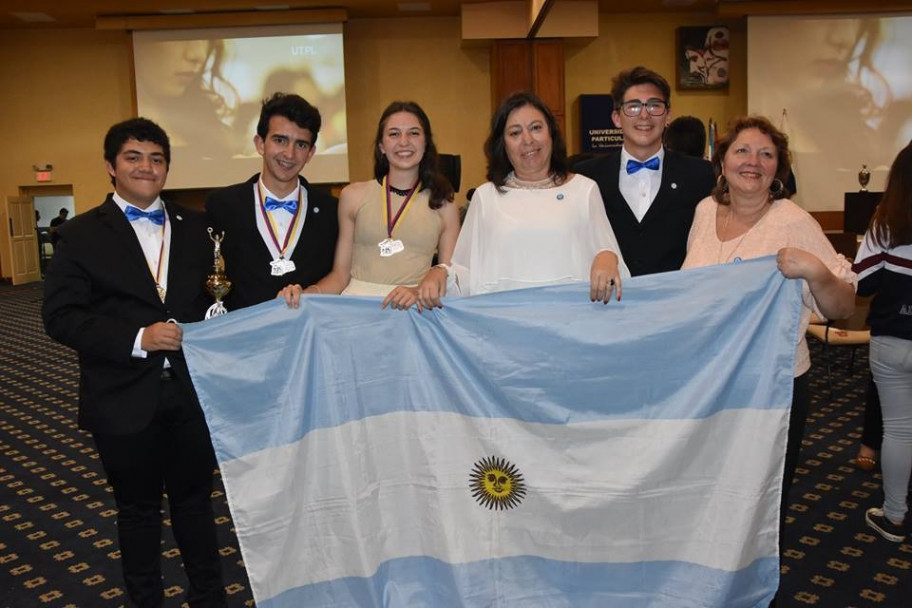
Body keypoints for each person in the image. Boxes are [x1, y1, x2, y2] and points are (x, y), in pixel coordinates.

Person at [42, 118, 226, 607]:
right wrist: (137, 337)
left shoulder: (201, 227)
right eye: (134, 157)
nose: (147, 166)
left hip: (193, 394)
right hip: (121, 395)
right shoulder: (79, 234)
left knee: (195, 506)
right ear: (111, 166)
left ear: (167, 167)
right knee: (138, 511)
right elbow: (60, 317)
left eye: (157, 158)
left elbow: (220, 299)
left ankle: (210, 598)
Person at [681, 116, 856, 572]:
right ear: (722, 160)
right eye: (742, 151)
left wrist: (816, 271)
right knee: (705, 493)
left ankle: (753, 590)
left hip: (770, 392)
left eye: (766, 154)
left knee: (757, 502)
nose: (752, 162)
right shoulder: (703, 212)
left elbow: (841, 306)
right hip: (709, 386)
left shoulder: (792, 221)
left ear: (778, 169)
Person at [419, 91, 627, 306]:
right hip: (504, 325)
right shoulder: (486, 197)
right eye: (515, 133)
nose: (527, 140)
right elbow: (466, 273)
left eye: (536, 128)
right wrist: (440, 272)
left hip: (570, 323)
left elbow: (610, 262)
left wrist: (607, 256)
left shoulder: (584, 190)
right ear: (503, 144)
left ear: (551, 134)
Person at [283, 101, 459, 310]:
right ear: (381, 145)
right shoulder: (352, 196)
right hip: (357, 313)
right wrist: (304, 294)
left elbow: (449, 277)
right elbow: (340, 275)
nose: (404, 142)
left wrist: (418, 290)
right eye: (394, 134)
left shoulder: (445, 205)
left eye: (413, 133)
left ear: (426, 143)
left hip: (413, 313)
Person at [576, 66, 715, 277]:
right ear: (616, 117)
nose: (644, 115)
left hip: (677, 303)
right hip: (606, 303)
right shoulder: (586, 176)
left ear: (668, 115)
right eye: (633, 107)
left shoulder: (700, 175)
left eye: (654, 106)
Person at [206, 93, 338, 310]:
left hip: (309, 335)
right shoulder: (222, 206)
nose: (289, 153)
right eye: (280, 140)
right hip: (247, 337)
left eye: (301, 145)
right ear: (260, 143)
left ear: (311, 153)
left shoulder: (331, 210)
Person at [853, 141, 912, 542]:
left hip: (892, 339)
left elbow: (863, 282)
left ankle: (893, 515)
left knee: (899, 431)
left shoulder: (885, 222)